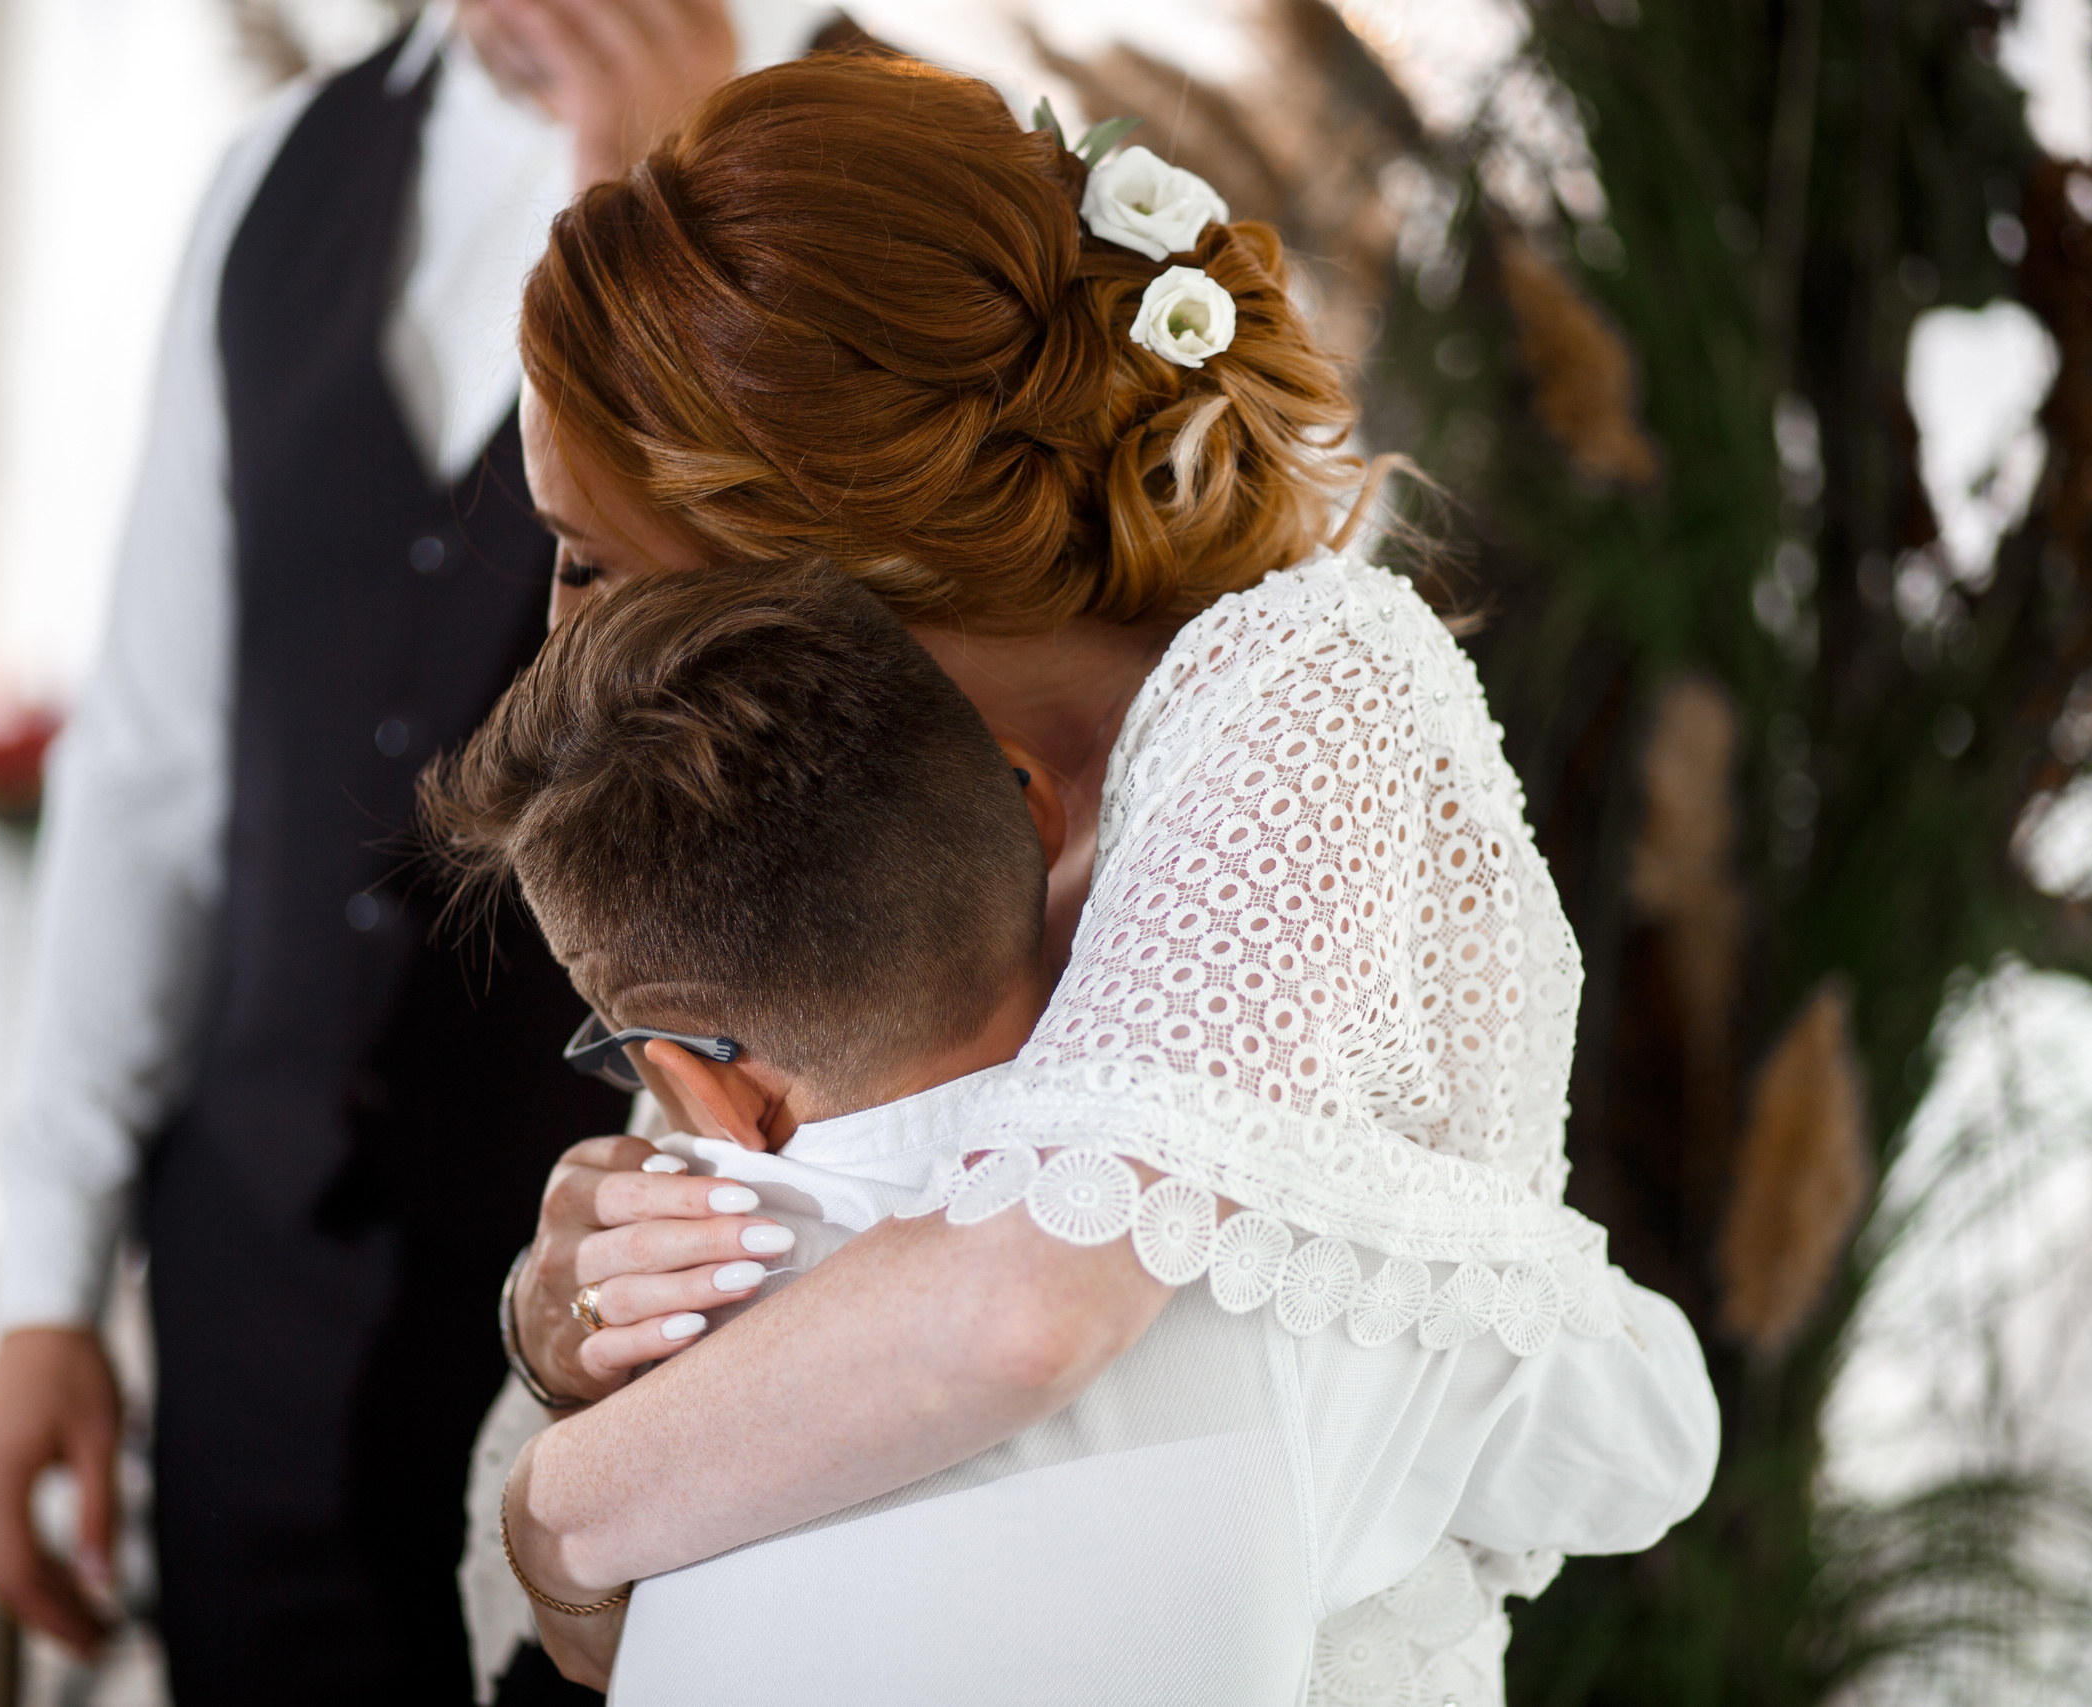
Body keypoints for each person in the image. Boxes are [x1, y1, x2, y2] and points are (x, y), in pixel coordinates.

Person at [466, 50, 1721, 1702]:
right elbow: (747, 1321)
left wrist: (555, 1522)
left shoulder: (1302, 681)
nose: (555, 637)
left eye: (591, 562)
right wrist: (571, 1312)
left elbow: (1025, 1309)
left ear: (814, 535)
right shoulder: (805, 794)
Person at [0, 4, 839, 1701]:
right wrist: (43, 1286)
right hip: (249, 1305)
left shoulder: (916, 175)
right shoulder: (282, 172)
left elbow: (895, 770)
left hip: (671, 1339)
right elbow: (150, 765)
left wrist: (680, 222)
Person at [426, 561, 1714, 1702]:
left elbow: (588, 1641)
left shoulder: (630, 1338)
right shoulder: (1279, 1263)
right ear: (1040, 812)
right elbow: (1651, 1444)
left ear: (700, 1084)